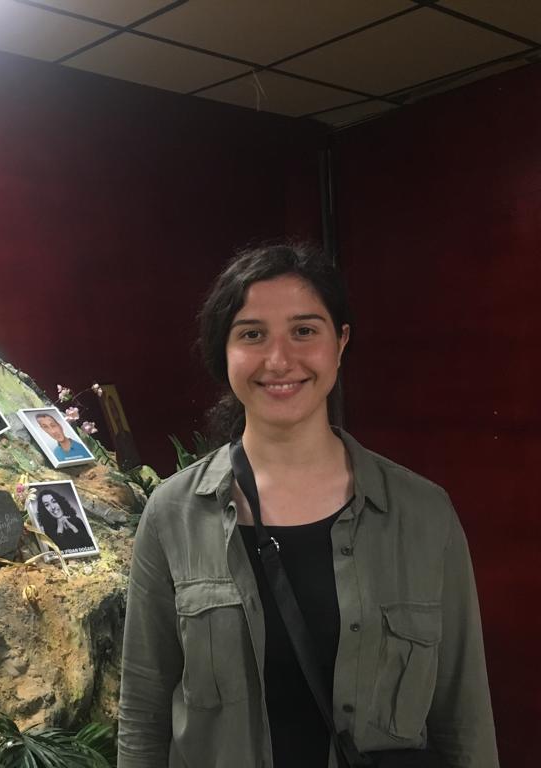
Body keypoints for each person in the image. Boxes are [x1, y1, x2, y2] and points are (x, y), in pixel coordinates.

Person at [118, 244, 498, 768]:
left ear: (340, 343)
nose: (279, 360)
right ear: (223, 351)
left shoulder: (423, 514)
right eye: (252, 334)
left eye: (304, 330)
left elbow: (464, 717)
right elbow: (143, 714)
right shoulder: (172, 515)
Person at [35, 488, 95, 554]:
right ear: (44, 510)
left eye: (54, 501)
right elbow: (56, 553)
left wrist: (74, 528)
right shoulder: (48, 529)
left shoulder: (77, 521)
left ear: (60, 502)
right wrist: (59, 529)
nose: (53, 507)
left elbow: (90, 545)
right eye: (47, 505)